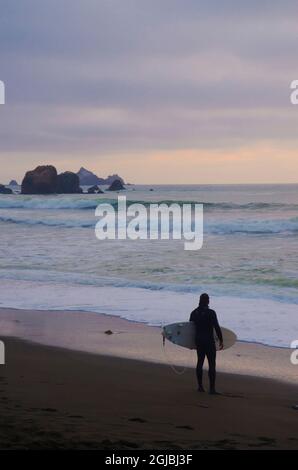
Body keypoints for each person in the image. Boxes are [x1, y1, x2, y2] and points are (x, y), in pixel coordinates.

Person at [189, 293, 223, 395]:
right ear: (207, 301)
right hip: (208, 341)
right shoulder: (211, 313)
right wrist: (221, 340)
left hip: (199, 340)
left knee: (200, 362)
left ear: (199, 300)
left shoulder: (194, 313)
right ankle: (212, 389)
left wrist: (190, 343)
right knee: (212, 364)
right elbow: (216, 327)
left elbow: (189, 329)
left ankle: (200, 387)